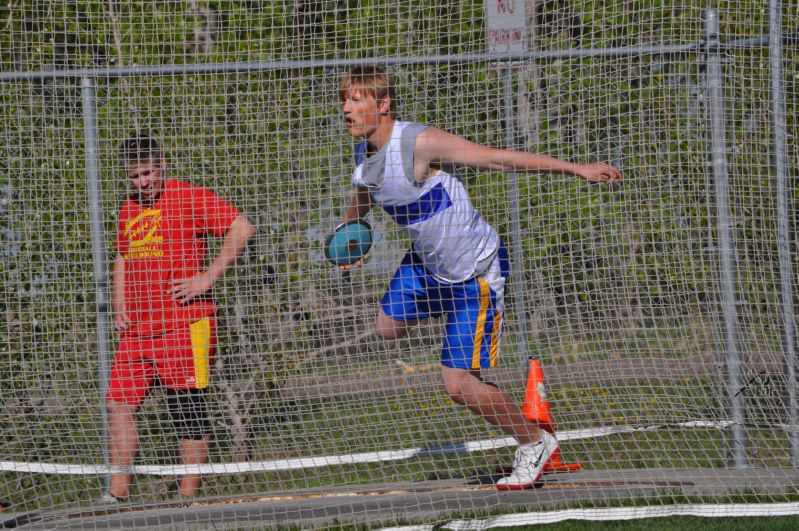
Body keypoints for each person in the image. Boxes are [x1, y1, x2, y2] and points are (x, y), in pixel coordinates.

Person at [336, 66, 622, 489]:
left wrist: (576, 168)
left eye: (356, 100)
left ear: (383, 105)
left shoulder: (419, 142)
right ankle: (461, 335)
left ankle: (533, 443)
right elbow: (361, 198)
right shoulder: (365, 155)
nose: (346, 109)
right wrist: (348, 239)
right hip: (427, 266)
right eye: (344, 100)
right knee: (387, 328)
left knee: (457, 385)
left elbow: (496, 158)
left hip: (475, 273)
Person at [106, 135, 256, 500]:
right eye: (134, 176)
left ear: (162, 167)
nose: (143, 182)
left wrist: (208, 276)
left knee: (186, 407)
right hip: (138, 330)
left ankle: (187, 501)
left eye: (148, 172)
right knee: (118, 404)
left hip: (185, 324)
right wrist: (120, 303)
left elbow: (242, 227)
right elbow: (123, 256)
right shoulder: (129, 208)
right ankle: (116, 497)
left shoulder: (188, 196)